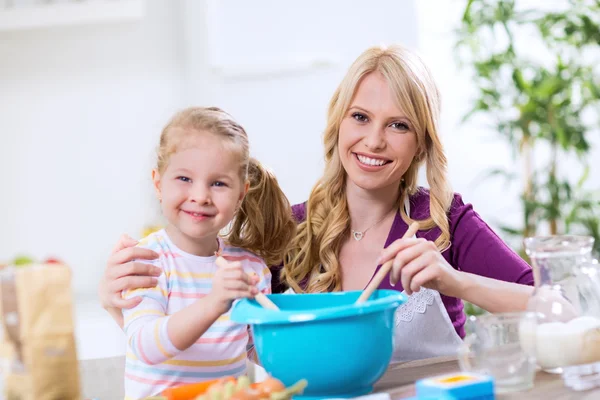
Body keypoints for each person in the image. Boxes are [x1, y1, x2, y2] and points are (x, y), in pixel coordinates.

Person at [100, 45, 534, 364]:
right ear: (338, 123)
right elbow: (203, 348)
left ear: (421, 143)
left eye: (398, 125)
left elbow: (559, 307)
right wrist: (117, 306)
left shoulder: (444, 221)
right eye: (360, 117)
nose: (374, 140)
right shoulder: (288, 232)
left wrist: (455, 281)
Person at [118, 106, 296, 399]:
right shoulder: (145, 261)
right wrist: (215, 302)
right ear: (158, 183)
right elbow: (145, 346)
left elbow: (255, 351)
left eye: (218, 183)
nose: (200, 196)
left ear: (240, 194)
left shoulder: (251, 269)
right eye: (184, 179)